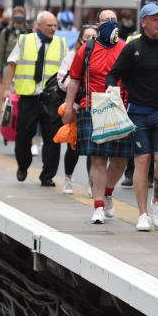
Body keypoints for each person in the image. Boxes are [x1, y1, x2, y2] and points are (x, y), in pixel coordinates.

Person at [105, 3, 158, 232]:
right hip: (138, 112)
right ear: (143, 22)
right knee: (142, 161)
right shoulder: (133, 48)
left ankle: (157, 202)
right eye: (154, 19)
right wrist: (111, 88)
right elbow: (113, 74)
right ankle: (142, 214)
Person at [62, 12, 133, 223]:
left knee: (120, 159)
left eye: (113, 20)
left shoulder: (125, 48)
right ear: (97, 24)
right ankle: (99, 205)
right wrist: (68, 107)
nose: (110, 24)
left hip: (120, 107)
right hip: (91, 106)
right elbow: (74, 80)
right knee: (99, 158)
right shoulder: (87, 48)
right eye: (105, 20)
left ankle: (108, 191)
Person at [2, 11, 67, 186]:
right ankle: (23, 165)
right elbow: (11, 65)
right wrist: (6, 88)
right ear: (38, 25)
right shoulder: (24, 40)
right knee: (23, 135)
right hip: (29, 96)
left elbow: (67, 70)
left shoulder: (61, 44)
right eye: (49, 25)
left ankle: (47, 176)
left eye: (55, 25)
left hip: (52, 99)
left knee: (53, 138)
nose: (53, 28)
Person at [58, 26, 98, 196]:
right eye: (87, 36)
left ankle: (92, 183)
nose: (90, 40)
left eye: (94, 36)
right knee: (73, 145)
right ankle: (68, 178)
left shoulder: (101, 56)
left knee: (94, 147)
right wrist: (76, 84)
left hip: (95, 105)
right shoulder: (72, 56)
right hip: (76, 105)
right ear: (80, 39)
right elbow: (62, 81)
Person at [0, 7, 30, 81]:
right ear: (13, 16)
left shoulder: (30, 32)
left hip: (25, 67)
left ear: (24, 16)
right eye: (16, 14)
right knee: (7, 90)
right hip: (8, 67)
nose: (19, 16)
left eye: (21, 14)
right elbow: (0, 52)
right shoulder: (6, 32)